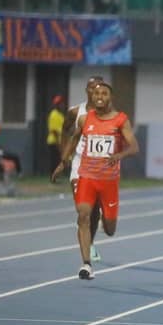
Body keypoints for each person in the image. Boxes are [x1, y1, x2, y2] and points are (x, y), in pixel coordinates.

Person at [52, 81, 139, 280]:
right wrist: (63, 163)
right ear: (91, 96)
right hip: (86, 176)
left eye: (104, 93)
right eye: (96, 93)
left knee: (109, 230)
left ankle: (101, 218)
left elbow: (134, 147)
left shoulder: (120, 120)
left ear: (111, 97)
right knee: (83, 215)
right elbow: (74, 139)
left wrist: (119, 155)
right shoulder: (84, 119)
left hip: (108, 181)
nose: (99, 96)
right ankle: (86, 264)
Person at [61, 76, 105, 263]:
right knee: (84, 211)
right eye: (91, 88)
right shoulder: (74, 112)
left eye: (99, 88)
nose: (94, 92)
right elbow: (65, 131)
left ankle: (91, 241)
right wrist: (65, 157)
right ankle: (86, 259)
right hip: (79, 165)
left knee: (94, 211)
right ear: (87, 91)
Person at [46, 95, 66, 175]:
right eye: (60, 103)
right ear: (56, 105)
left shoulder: (60, 115)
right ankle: (52, 177)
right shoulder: (53, 114)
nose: (62, 105)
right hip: (54, 141)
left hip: (59, 141)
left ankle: (55, 176)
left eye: (62, 103)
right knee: (54, 161)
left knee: (57, 160)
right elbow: (54, 131)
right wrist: (58, 143)